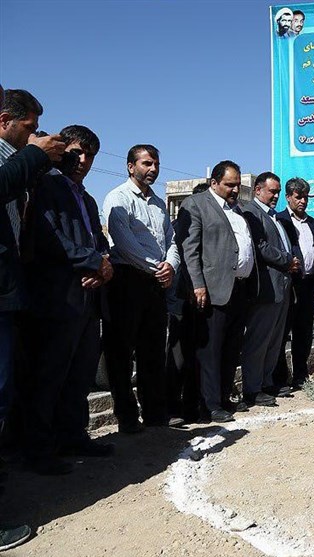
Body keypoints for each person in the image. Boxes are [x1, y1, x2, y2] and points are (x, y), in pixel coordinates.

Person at [22, 125, 114, 475]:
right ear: (62, 150)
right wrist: (92, 262)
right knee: (49, 375)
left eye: (90, 155)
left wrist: (102, 265)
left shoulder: (87, 199)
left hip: (88, 299)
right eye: (76, 152)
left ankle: (73, 436)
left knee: (80, 374)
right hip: (58, 297)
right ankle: (38, 449)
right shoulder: (46, 186)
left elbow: (98, 242)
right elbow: (49, 237)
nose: (83, 161)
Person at [0, 85, 64, 553]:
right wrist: (36, 156)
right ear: (5, 121)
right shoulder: (16, 162)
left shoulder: (18, 165)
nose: (34, 136)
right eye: (28, 128)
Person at [102, 144, 180, 433]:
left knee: (153, 350)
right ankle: (126, 416)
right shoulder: (118, 198)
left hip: (156, 283)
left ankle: (155, 413)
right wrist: (157, 267)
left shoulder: (158, 203)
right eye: (147, 163)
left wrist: (170, 265)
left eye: (156, 164)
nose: (153, 169)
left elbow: (172, 240)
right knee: (121, 353)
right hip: (127, 281)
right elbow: (124, 243)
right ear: (130, 166)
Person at [176, 160, 254, 423]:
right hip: (211, 290)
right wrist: (197, 284)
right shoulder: (196, 204)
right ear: (214, 182)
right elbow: (190, 249)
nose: (235, 190)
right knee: (209, 351)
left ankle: (222, 398)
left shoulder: (237, 210)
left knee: (230, 349)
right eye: (229, 185)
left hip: (238, 290)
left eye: (237, 185)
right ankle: (208, 405)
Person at [241, 172, 299, 407]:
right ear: (257, 190)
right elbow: (260, 246)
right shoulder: (251, 213)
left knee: (275, 340)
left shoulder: (274, 216)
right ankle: (252, 389)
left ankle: (266, 383)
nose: (276, 196)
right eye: (272, 191)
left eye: (277, 192)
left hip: (282, 287)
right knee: (259, 340)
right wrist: (287, 260)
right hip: (266, 288)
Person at [165, 181, 209, 424]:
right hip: (180, 298)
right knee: (178, 357)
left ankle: (192, 407)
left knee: (197, 356)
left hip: (200, 300)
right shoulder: (180, 225)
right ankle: (172, 408)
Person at [275, 177, 314, 392]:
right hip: (287, 285)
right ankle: (279, 379)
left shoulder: (313, 224)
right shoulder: (279, 220)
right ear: (288, 197)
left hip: (307, 285)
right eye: (298, 197)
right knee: (281, 333)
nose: (302, 201)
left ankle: (300, 376)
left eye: (305, 197)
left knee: (303, 333)